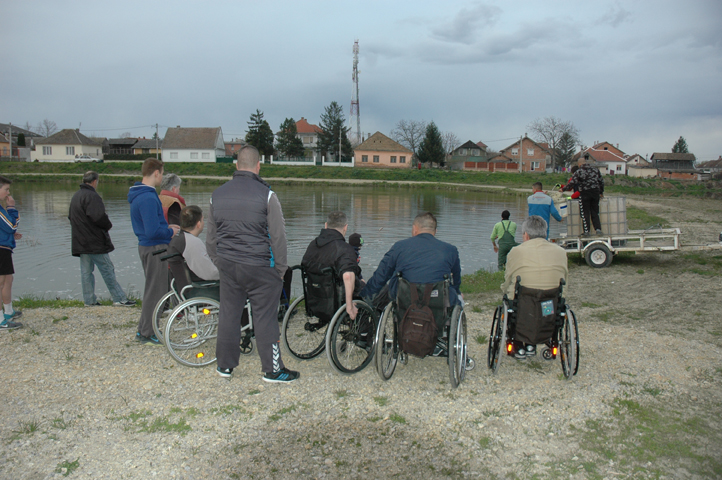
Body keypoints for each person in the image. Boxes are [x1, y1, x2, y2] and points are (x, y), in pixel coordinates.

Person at [206, 145, 298, 383]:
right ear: (258, 167)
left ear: (236, 165)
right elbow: (278, 237)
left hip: (228, 265)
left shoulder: (217, 194)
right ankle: (272, 370)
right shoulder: (267, 195)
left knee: (229, 314)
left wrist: (220, 261)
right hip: (258, 266)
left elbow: (211, 239)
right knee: (265, 317)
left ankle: (224, 366)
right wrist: (280, 270)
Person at [361, 211, 462, 309]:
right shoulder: (450, 250)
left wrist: (365, 294)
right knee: (455, 296)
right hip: (438, 298)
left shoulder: (399, 246)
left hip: (405, 297)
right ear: (435, 232)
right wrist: (457, 291)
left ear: (414, 229)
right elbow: (456, 279)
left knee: (395, 273)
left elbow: (381, 274)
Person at [501, 215, 568, 359]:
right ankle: (537, 342)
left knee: (514, 301)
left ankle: (518, 344)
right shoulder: (561, 252)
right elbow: (565, 279)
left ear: (525, 235)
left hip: (524, 304)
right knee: (546, 307)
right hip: (550, 303)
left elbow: (508, 278)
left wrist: (504, 290)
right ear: (545, 233)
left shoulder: (516, 251)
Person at [128, 158, 180, 345]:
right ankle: (147, 332)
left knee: (152, 289)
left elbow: (152, 226)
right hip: (155, 247)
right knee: (155, 292)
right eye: (162, 173)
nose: (162, 177)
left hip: (148, 246)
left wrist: (167, 227)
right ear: (156, 173)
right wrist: (170, 231)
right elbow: (152, 231)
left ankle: (144, 329)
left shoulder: (139, 194)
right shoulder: (148, 197)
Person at [68, 171, 136, 307]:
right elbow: (98, 216)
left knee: (86, 272)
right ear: (95, 181)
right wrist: (108, 225)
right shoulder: (92, 196)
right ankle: (119, 298)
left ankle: (89, 300)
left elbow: (70, 217)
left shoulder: (76, 196)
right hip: (94, 242)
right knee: (107, 269)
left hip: (80, 241)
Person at [302, 211, 362, 321]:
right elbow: (348, 276)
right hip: (336, 299)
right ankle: (363, 334)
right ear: (345, 227)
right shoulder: (345, 248)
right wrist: (350, 306)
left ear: (326, 225)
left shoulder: (312, 245)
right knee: (379, 292)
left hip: (314, 297)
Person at [173, 205, 219, 282]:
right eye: (203, 220)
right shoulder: (193, 242)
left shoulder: (179, 238)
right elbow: (209, 273)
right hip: (199, 287)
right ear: (198, 224)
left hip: (182, 282)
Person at [0, 176, 23, 330]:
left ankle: (8, 312)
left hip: (5, 248)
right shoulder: (2, 210)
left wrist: (10, 235)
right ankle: (1, 320)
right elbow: (11, 225)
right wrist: (12, 208)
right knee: (1, 282)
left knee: (8, 280)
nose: (8, 193)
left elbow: (6, 229)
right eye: (6, 190)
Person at [562, 154, 604, 236]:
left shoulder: (579, 171)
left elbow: (572, 183)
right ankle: (598, 230)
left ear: (579, 164)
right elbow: (601, 182)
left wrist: (563, 189)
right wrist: (601, 192)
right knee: (595, 212)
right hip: (595, 192)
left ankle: (586, 231)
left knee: (585, 213)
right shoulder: (595, 170)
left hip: (585, 193)